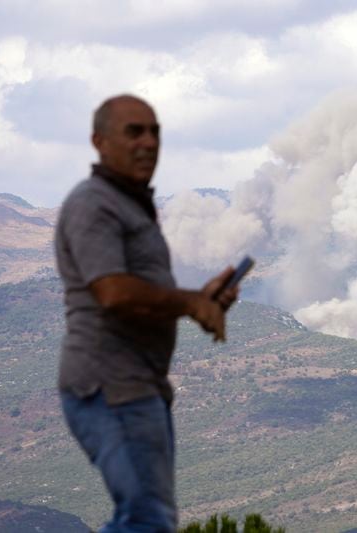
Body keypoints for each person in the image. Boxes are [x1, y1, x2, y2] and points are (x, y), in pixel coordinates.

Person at [55, 94, 238, 532]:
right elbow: (114, 292)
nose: (149, 141)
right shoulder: (93, 203)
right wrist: (191, 302)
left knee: (149, 517)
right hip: (110, 385)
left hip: (137, 385)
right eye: (134, 131)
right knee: (146, 518)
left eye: (155, 131)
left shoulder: (130, 204)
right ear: (99, 141)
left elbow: (142, 295)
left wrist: (201, 299)